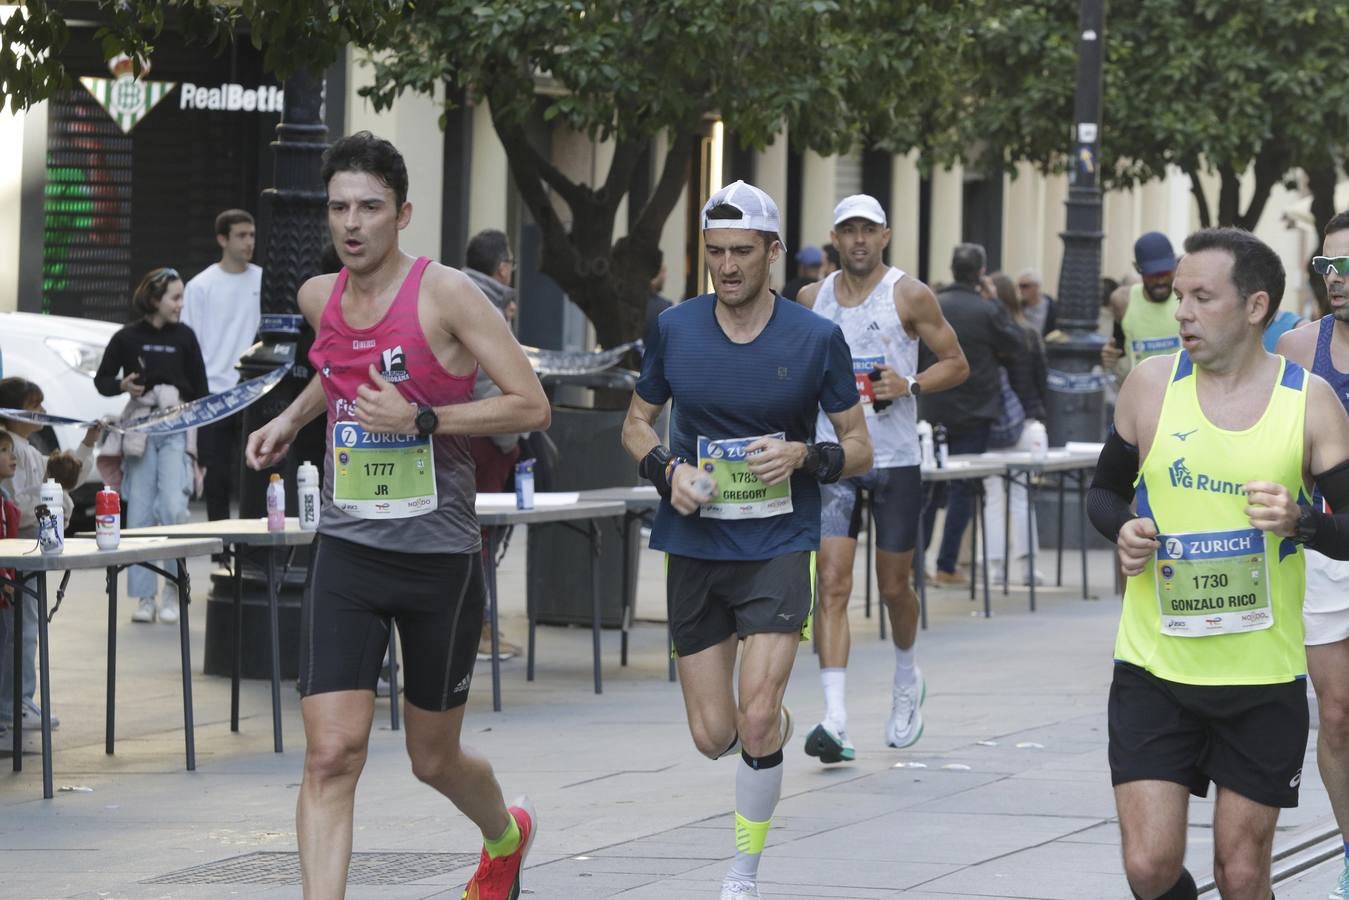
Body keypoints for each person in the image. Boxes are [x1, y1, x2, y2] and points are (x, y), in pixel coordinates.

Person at [244, 131, 550, 900]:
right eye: (338, 207)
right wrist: (291, 417)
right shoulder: (320, 296)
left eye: (369, 208)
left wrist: (423, 422)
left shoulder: (447, 294)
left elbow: (530, 403)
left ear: (402, 213)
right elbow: (341, 370)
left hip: (438, 557)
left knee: (432, 759)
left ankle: (505, 835)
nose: (351, 224)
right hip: (348, 549)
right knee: (331, 753)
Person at [621, 180, 871, 900]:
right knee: (713, 734)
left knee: (753, 716)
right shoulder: (674, 327)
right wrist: (665, 468)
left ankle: (742, 872)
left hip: (776, 541)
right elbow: (635, 423)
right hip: (695, 543)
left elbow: (859, 448)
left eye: (740, 253)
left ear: (771, 254)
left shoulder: (815, 336)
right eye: (713, 254)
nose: (726, 267)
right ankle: (775, 727)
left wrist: (804, 457)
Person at [1088, 226, 1349, 900]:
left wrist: (1304, 521)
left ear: (1254, 306)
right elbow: (1102, 494)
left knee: (1239, 874)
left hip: (1260, 676)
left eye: (1201, 297)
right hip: (1154, 668)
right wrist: (1122, 529)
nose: (1181, 312)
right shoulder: (1149, 386)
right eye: (1179, 296)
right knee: (1147, 867)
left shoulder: (1308, 402)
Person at [795, 193, 968, 763]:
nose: (859, 240)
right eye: (849, 231)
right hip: (837, 458)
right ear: (836, 239)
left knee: (895, 587)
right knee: (834, 583)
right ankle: (836, 717)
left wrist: (910, 385)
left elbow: (956, 363)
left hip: (894, 460)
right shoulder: (809, 299)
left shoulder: (908, 294)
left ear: (885, 236)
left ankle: (904, 677)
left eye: (869, 230)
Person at [1275, 211, 1349, 899]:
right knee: (1333, 713)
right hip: (1325, 553)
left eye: (1348, 268)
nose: (1337, 281)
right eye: (1328, 268)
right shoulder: (1299, 348)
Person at [95, 268, 208, 625]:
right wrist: (123, 385)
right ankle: (145, 597)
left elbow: (201, 390)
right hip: (140, 431)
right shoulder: (127, 337)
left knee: (174, 507)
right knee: (140, 513)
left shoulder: (186, 337)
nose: (180, 305)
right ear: (155, 299)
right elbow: (102, 381)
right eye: (175, 298)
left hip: (175, 427)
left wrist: (178, 403)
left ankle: (173, 588)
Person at [918, 244, 1035, 587]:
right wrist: (994, 300)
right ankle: (947, 563)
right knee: (963, 490)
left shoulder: (934, 303)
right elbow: (1016, 343)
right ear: (981, 273)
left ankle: (916, 564)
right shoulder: (987, 310)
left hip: (934, 406)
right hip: (975, 410)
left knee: (929, 488)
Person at [0, 378, 98, 730]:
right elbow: (16, 503)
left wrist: (87, 443)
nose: (41, 413)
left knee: (25, 628)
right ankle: (12, 707)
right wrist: (47, 505)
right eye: (33, 405)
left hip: (30, 550)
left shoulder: (26, 448)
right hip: (15, 554)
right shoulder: (10, 446)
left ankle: (19, 701)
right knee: (17, 630)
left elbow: (66, 478)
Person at [463, 228, 528, 663]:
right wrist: (509, 436)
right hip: (486, 438)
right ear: (501, 266)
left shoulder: (464, 293)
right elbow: (495, 378)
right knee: (479, 533)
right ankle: (478, 626)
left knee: (479, 533)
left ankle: (477, 622)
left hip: (475, 434)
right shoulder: (485, 303)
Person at [181, 209, 262, 533]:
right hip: (214, 392)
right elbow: (191, 341)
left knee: (253, 469)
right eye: (241, 235)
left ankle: (250, 540)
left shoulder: (262, 278)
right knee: (216, 475)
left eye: (252, 235)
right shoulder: (201, 285)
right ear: (222, 239)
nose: (249, 242)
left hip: (252, 389)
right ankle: (219, 547)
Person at [983, 272, 1049, 586]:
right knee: (1022, 498)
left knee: (993, 498)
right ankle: (1029, 567)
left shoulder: (989, 341)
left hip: (994, 424)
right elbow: (1041, 381)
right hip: (1026, 422)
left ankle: (994, 567)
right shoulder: (1029, 335)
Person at [1102, 231, 1181, 373]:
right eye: (1152, 274)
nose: (1160, 281)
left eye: (1165, 273)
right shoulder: (1122, 300)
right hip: (1141, 391)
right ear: (1137, 268)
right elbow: (1118, 345)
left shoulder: (1187, 297)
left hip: (1182, 391)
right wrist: (1108, 355)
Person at [464, 228, 518, 329]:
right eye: (512, 263)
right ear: (503, 268)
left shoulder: (455, 292)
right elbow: (501, 345)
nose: (512, 268)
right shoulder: (490, 313)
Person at [1015, 268, 1057, 336]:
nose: (1021, 290)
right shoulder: (1017, 308)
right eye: (1019, 286)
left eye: (1025, 286)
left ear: (1037, 286)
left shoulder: (1053, 308)